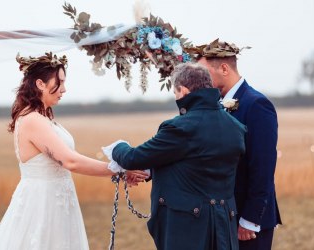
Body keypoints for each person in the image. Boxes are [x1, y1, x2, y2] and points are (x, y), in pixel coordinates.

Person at [0, 52, 148, 250]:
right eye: (59, 82)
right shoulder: (32, 120)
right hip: (42, 204)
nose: (64, 89)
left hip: (58, 200)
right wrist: (119, 169)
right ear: (40, 84)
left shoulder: (42, 118)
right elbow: (70, 161)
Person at [103, 62, 247, 250]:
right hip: (223, 223)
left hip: (188, 228)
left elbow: (133, 158)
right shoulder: (235, 126)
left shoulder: (180, 127)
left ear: (184, 91)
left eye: (175, 93)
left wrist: (118, 147)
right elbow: (196, 162)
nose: (176, 98)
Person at [197, 39, 282, 250]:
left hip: (247, 220)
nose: (201, 80)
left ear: (224, 68)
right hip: (221, 214)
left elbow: (263, 166)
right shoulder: (212, 105)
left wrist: (251, 218)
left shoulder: (257, 104)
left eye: (204, 73)